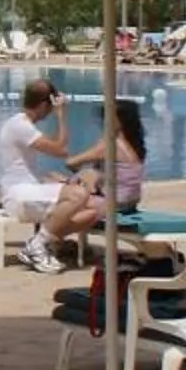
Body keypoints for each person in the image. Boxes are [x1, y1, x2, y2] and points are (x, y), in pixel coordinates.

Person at [41, 99, 148, 262]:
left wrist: (78, 176)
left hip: (112, 203)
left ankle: (46, 241)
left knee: (53, 187)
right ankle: (57, 241)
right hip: (129, 203)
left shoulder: (109, 145)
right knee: (70, 184)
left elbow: (71, 163)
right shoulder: (134, 144)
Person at [0, 78, 72, 271]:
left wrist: (47, 178)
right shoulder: (21, 127)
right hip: (18, 195)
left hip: (22, 189)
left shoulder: (19, 124)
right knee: (78, 196)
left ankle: (48, 242)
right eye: (51, 106)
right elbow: (61, 149)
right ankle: (37, 245)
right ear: (45, 105)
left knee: (88, 205)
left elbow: (20, 167)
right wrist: (62, 115)